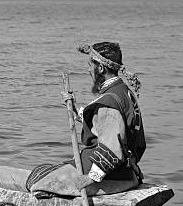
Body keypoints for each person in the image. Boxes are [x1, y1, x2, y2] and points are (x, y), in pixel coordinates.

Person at [26, 42, 145, 197]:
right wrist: (74, 109)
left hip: (111, 175)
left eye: (90, 65)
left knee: (36, 179)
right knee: (47, 170)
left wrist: (90, 178)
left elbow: (112, 150)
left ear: (101, 68)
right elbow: (105, 125)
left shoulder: (109, 102)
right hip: (128, 172)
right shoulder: (123, 92)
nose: (89, 70)